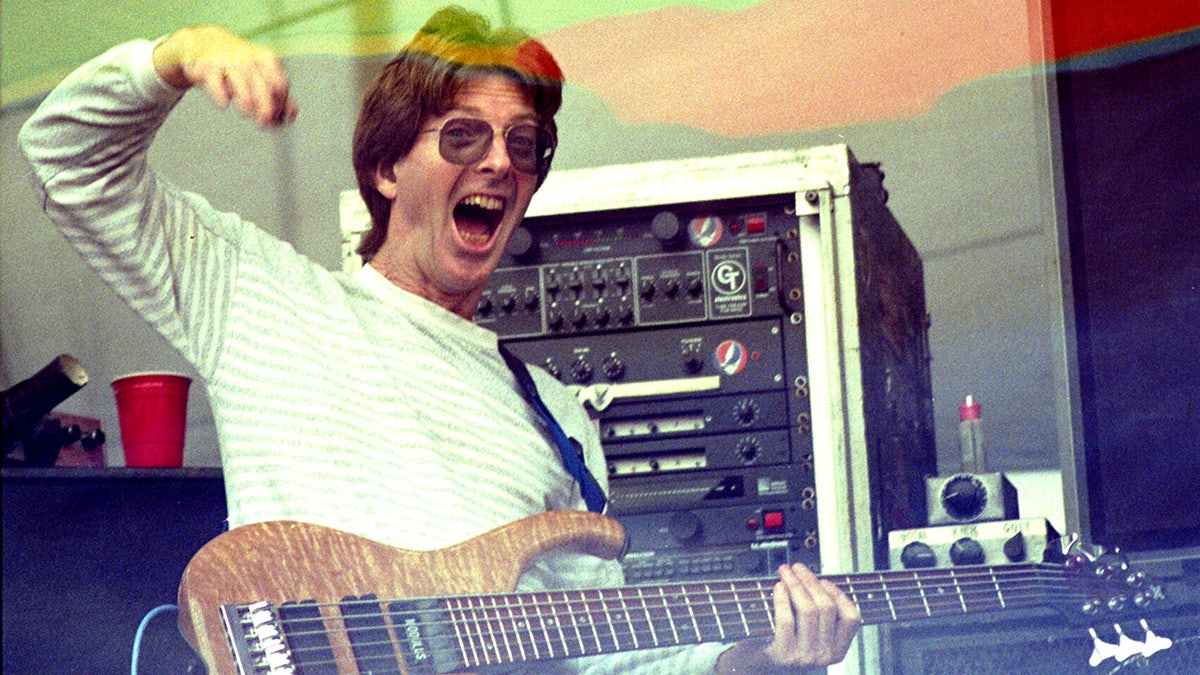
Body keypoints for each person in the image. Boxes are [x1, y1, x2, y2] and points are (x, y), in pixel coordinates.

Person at [20, 6, 861, 672]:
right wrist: (179, 53)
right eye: (463, 135)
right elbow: (65, 159)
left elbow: (604, 658)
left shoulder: (559, 420)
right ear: (387, 171)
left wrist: (760, 655)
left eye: (522, 146)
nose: (500, 162)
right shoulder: (259, 295)